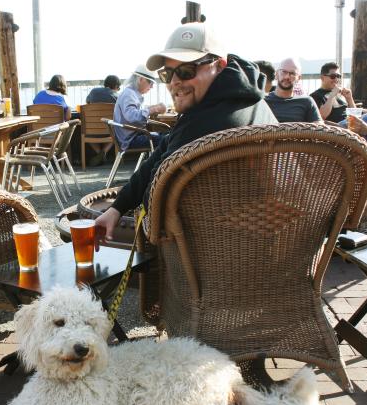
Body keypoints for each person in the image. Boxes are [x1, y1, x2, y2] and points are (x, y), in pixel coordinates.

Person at [95, 23, 277, 242]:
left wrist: (122, 210)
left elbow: (153, 202)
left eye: (185, 71)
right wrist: (118, 207)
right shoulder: (249, 97)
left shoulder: (204, 123)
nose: (174, 82)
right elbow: (161, 154)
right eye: (167, 73)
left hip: (224, 253)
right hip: (279, 239)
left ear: (219, 65)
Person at [112, 64, 167, 152]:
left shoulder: (131, 93)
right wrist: (154, 109)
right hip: (131, 140)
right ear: (141, 79)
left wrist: (151, 108)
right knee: (168, 139)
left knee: (169, 135)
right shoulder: (129, 95)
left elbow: (134, 114)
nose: (152, 86)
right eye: (150, 82)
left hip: (133, 136)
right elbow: (132, 117)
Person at [264, 58, 322, 123]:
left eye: (292, 73)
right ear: (277, 74)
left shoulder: (307, 102)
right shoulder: (263, 101)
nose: (287, 77)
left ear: (299, 78)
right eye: (284, 72)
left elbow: (319, 128)